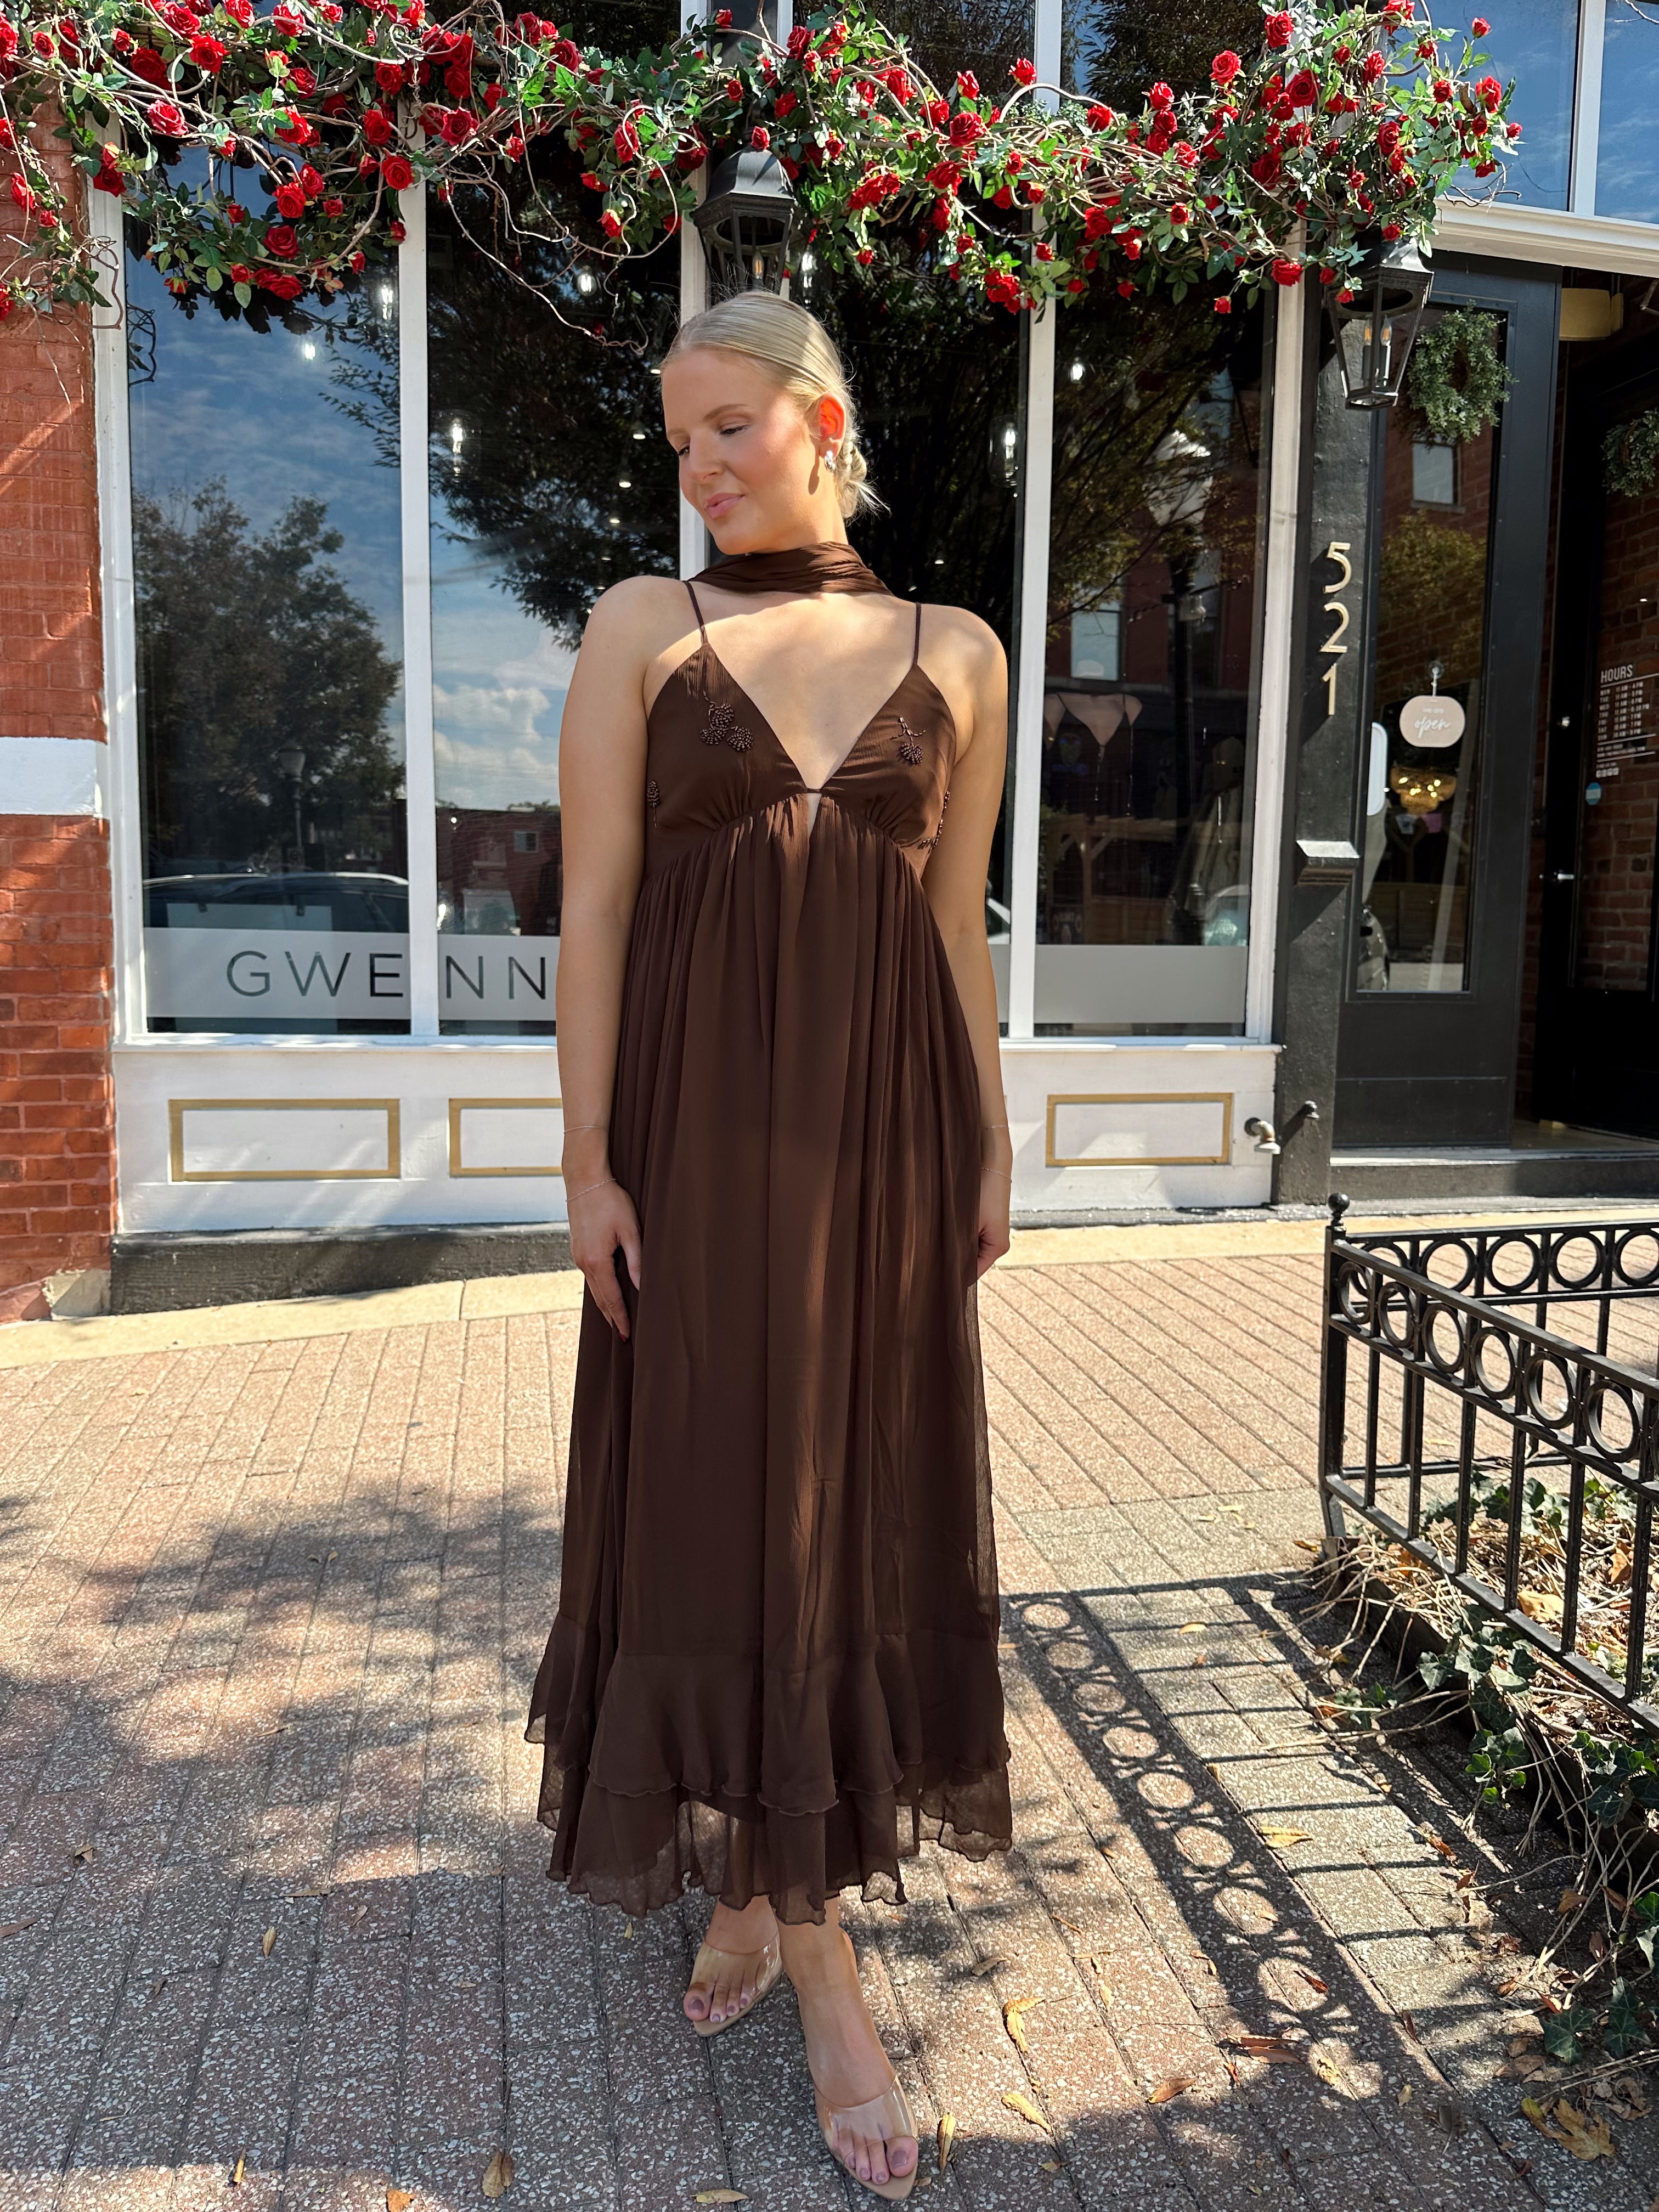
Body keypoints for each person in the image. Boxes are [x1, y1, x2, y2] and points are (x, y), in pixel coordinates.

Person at [525, 289, 1015, 2202]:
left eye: (729, 425)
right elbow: (594, 917)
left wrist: (990, 1140)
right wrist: (585, 1162)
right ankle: (820, 1965)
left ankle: (761, 1873)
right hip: (702, 1152)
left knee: (851, 1501)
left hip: (886, 1156)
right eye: (678, 440)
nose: (701, 466)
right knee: (725, 1493)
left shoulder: (955, 651)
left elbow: (955, 932)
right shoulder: (650, 628)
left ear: (821, 418)